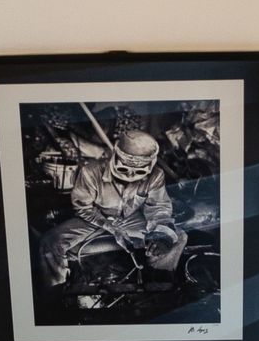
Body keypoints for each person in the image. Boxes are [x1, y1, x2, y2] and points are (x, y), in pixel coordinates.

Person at [36, 122, 187, 296]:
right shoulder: (90, 171)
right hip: (95, 218)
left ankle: (158, 287)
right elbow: (83, 208)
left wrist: (162, 235)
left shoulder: (156, 175)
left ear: (151, 164)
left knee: (178, 236)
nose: (130, 176)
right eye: (124, 169)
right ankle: (55, 296)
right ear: (115, 154)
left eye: (138, 172)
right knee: (49, 242)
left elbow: (158, 207)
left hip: (130, 218)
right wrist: (112, 228)